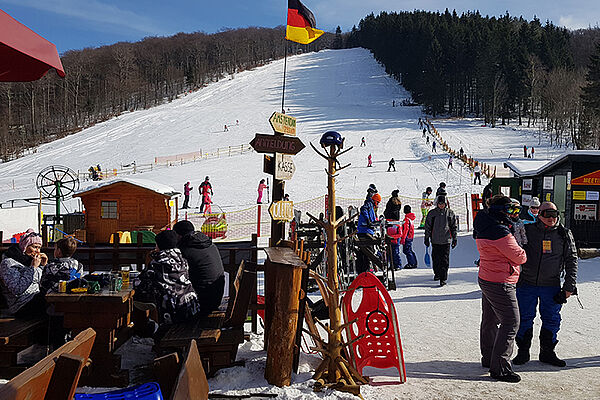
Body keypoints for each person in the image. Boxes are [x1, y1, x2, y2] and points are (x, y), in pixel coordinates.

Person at [513, 202, 577, 368]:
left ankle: (547, 352)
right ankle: (523, 351)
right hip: (527, 284)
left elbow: (572, 259)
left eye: (554, 214)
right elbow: (513, 250)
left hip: (551, 285)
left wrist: (569, 286)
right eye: (547, 214)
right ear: (538, 214)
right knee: (524, 318)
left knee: (551, 319)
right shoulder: (527, 231)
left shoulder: (563, 233)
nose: (551, 218)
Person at [474, 195, 527, 383]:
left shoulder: (486, 223)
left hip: (488, 277)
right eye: (511, 210)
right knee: (511, 322)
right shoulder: (500, 231)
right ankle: (500, 368)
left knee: (489, 320)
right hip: (501, 280)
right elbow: (520, 256)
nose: (514, 215)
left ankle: (489, 358)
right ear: (501, 211)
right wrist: (521, 251)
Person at [135, 230, 200, 328]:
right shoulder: (183, 260)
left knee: (141, 300)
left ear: (159, 246)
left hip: (174, 313)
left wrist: (152, 258)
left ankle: (141, 329)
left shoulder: (157, 264)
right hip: (191, 308)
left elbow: (140, 283)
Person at [173, 221, 225, 317]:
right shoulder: (208, 244)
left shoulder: (185, 249)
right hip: (215, 295)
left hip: (203, 300)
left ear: (179, 235)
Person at [0, 229, 48, 316]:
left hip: (35, 297)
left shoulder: (31, 260)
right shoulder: (8, 263)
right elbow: (17, 289)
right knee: (51, 305)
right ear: (24, 247)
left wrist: (43, 266)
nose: (37, 251)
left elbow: (42, 283)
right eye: (34, 247)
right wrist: (33, 268)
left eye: (39, 248)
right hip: (20, 305)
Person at [424, 195, 457, 286]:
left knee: (444, 259)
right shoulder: (432, 213)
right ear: (437, 204)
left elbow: (453, 227)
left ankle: (443, 277)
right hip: (435, 240)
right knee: (436, 258)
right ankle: (437, 273)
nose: (441, 205)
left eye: (443, 204)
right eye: (439, 203)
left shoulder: (450, 213)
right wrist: (426, 238)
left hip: (446, 240)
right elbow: (428, 227)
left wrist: (455, 238)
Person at [356, 192, 381, 274]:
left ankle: (364, 270)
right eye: (378, 203)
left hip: (366, 230)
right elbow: (363, 209)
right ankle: (366, 270)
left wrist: (375, 222)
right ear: (375, 201)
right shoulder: (369, 204)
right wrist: (368, 221)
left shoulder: (371, 206)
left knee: (366, 251)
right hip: (365, 231)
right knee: (368, 251)